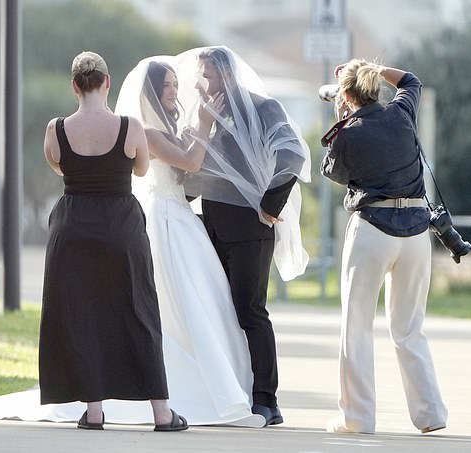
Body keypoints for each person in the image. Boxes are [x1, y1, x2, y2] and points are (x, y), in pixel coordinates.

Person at [38, 51, 187, 432]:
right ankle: (162, 414)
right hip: (120, 226)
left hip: (72, 228)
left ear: (74, 86)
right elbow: (140, 167)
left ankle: (93, 411)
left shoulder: (56, 128)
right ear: (107, 83)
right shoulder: (129, 126)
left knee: (83, 316)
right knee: (139, 312)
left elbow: (57, 164)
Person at [113, 57, 264, 427]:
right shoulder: (148, 132)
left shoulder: (167, 129)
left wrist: (201, 121)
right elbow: (191, 163)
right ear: (150, 91)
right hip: (164, 222)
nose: (172, 91)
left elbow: (187, 158)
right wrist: (206, 123)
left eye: (174, 85)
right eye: (165, 86)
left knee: (209, 299)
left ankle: (225, 383)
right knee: (178, 302)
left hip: (181, 218)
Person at [174, 46, 311, 426]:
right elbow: (197, 173)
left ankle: (267, 399)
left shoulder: (264, 109)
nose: (202, 83)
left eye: (209, 76)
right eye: (201, 76)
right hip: (209, 227)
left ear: (228, 75)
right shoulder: (204, 114)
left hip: (251, 227)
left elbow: (293, 155)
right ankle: (228, 391)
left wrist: (271, 204)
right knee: (217, 309)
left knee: (250, 311)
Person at [320, 58, 448, 434]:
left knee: (356, 325)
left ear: (346, 95)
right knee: (409, 329)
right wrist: (365, 66)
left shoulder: (349, 133)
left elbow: (333, 171)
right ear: (376, 86)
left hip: (372, 231)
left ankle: (357, 417)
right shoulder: (402, 114)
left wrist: (342, 119)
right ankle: (431, 415)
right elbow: (412, 79)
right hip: (415, 233)